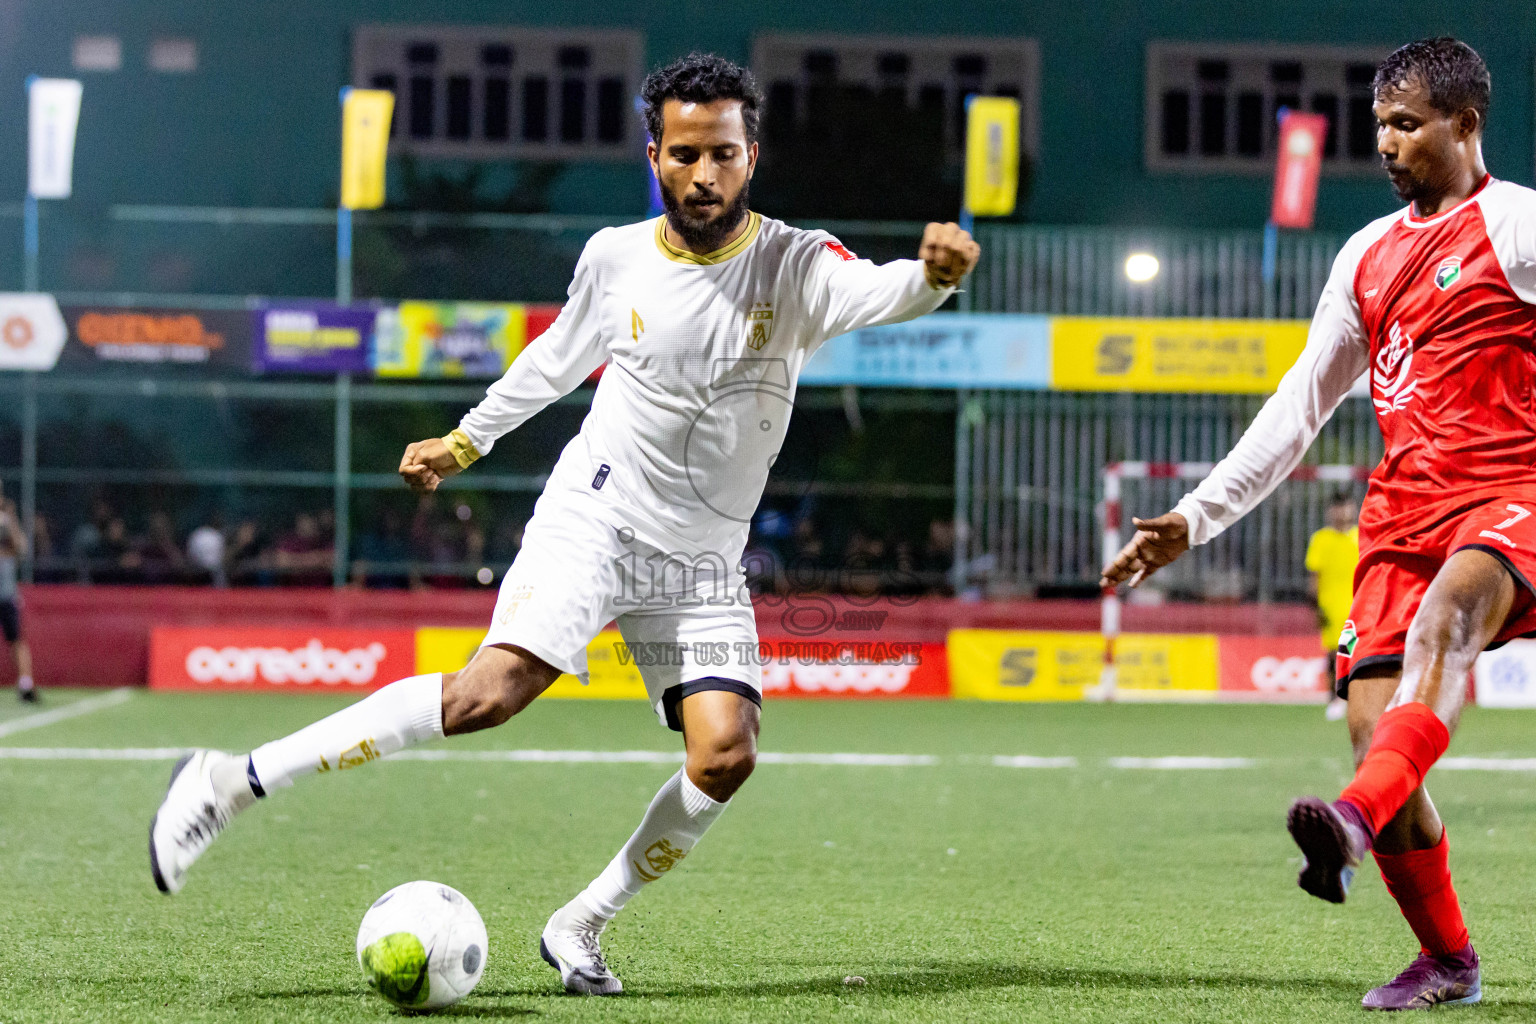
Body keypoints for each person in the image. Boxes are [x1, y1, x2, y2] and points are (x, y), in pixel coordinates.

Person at [148, 52, 979, 996]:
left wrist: (933, 276)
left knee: (727, 751)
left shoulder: (796, 263)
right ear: (655, 153)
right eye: (684, 154)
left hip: (702, 560)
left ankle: (580, 924)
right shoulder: (614, 256)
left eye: (725, 155)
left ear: (753, 157)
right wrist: (465, 440)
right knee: (486, 696)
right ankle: (230, 781)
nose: (704, 175)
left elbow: (880, 291)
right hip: (598, 513)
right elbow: (554, 359)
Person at [1100, 38, 1532, 1010]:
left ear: (1465, 125)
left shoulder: (1516, 226)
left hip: (1512, 494)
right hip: (1401, 517)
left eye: (1407, 124)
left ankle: (1345, 824)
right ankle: (1450, 960)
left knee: (1447, 626)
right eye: (1378, 124)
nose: (1385, 143)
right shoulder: (1364, 256)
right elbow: (1301, 404)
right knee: (1375, 729)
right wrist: (1193, 516)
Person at [1307, 493, 1359, 721]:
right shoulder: (1321, 539)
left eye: (1345, 506)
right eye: (1337, 508)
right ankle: (1335, 698)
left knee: (1356, 655)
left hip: (1358, 606)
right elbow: (1314, 575)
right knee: (1334, 655)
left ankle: (1354, 698)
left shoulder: (1361, 536)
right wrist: (1316, 606)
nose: (1342, 512)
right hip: (1331, 608)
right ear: (1330, 511)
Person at [0, 491, 35, 702]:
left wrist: (11, 519)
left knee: (16, 640)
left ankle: (26, 684)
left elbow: (21, 548)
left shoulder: (6, 522)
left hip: (5, 594)